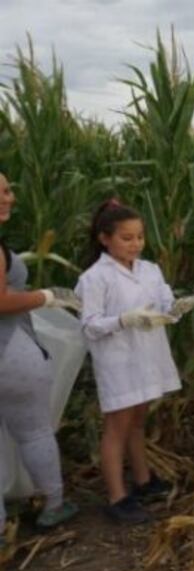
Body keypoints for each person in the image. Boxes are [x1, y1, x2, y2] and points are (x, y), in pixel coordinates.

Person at [76, 199, 186, 524]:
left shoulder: (149, 269)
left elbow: (164, 298)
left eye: (139, 237)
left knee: (138, 418)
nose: (135, 244)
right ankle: (117, 496)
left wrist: (174, 308)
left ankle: (143, 480)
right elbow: (90, 325)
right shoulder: (95, 278)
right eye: (127, 238)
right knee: (117, 426)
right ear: (104, 238)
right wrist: (123, 320)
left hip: (148, 355)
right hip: (119, 361)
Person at [0, 172, 79, 539]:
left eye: (8, 189)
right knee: (34, 431)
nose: (9, 197)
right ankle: (53, 505)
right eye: (1, 191)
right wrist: (46, 297)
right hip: (11, 352)